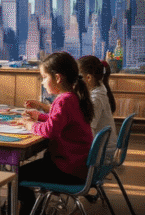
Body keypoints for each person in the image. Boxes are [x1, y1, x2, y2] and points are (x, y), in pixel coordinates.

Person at [18, 52, 94, 215]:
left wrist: (30, 125)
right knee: (27, 170)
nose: (43, 82)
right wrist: (39, 116)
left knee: (15, 175)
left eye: (44, 77)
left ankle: (30, 210)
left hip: (67, 169)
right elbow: (62, 122)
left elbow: (50, 130)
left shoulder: (64, 100)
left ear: (58, 78)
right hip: (77, 166)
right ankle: (34, 208)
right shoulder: (72, 97)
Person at [78, 56, 118, 158]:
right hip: (104, 148)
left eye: (78, 77)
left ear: (88, 78)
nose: (75, 81)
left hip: (102, 154)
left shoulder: (96, 99)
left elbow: (89, 129)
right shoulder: (99, 89)